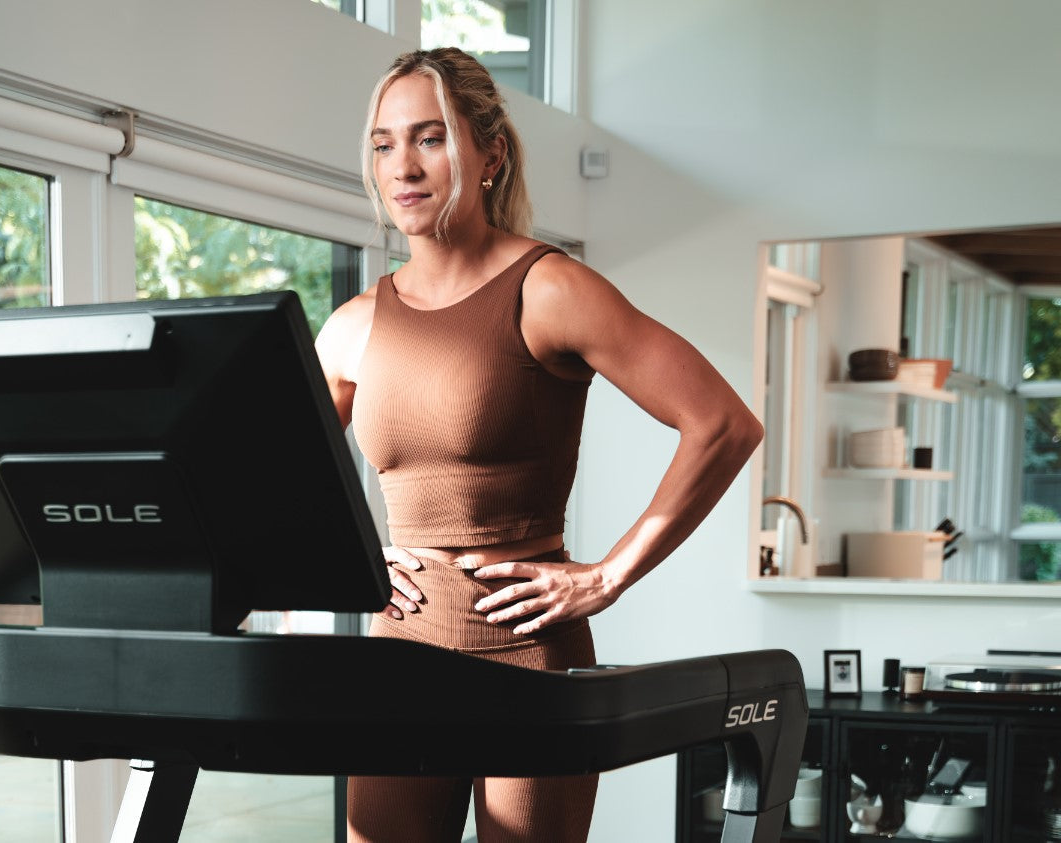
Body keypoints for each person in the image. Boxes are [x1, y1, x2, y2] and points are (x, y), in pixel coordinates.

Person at [314, 47, 763, 843]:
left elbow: (723, 423)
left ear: (489, 154)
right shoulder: (353, 327)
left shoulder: (548, 288)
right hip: (396, 658)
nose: (402, 166)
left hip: (527, 654)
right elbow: (271, 480)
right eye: (384, 143)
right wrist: (345, 559)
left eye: (430, 137)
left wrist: (607, 577)